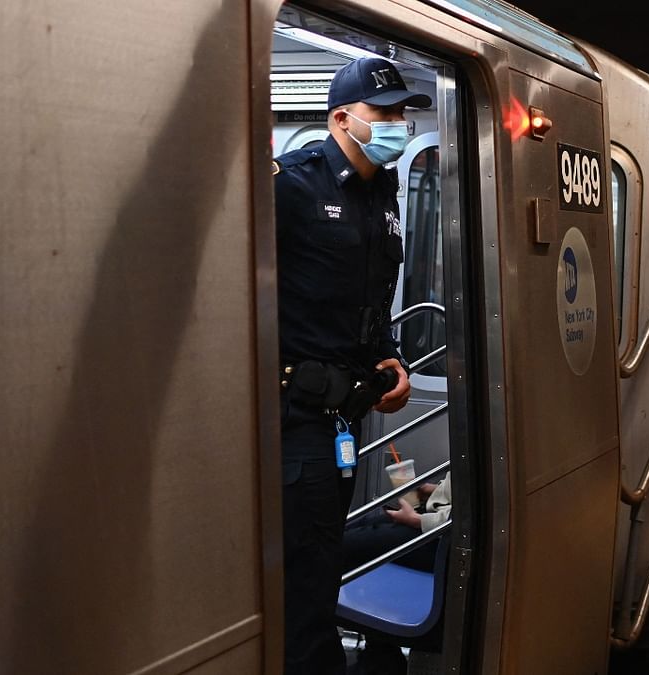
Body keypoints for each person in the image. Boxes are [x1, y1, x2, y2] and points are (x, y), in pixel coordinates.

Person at [274, 57, 429, 675]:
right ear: (341, 119)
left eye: (400, 113)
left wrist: (385, 354)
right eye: (382, 114)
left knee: (320, 562)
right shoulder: (293, 185)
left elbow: (368, 296)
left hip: (344, 413)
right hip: (295, 415)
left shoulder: (382, 191)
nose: (395, 125)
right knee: (304, 583)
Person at [341, 476, 452, 675]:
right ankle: (380, 657)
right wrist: (435, 491)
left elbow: (471, 510)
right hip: (436, 519)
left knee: (346, 548)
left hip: (441, 533)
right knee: (353, 529)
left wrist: (418, 520)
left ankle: (379, 660)